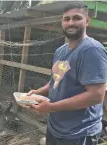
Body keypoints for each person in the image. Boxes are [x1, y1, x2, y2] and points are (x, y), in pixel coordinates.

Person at [23, 2, 107, 145]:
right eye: (66, 19)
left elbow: (96, 96)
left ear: (87, 21)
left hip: (79, 133)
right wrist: (39, 92)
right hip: (56, 127)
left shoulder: (91, 50)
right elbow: (56, 81)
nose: (70, 23)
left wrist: (51, 107)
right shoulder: (60, 50)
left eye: (76, 18)